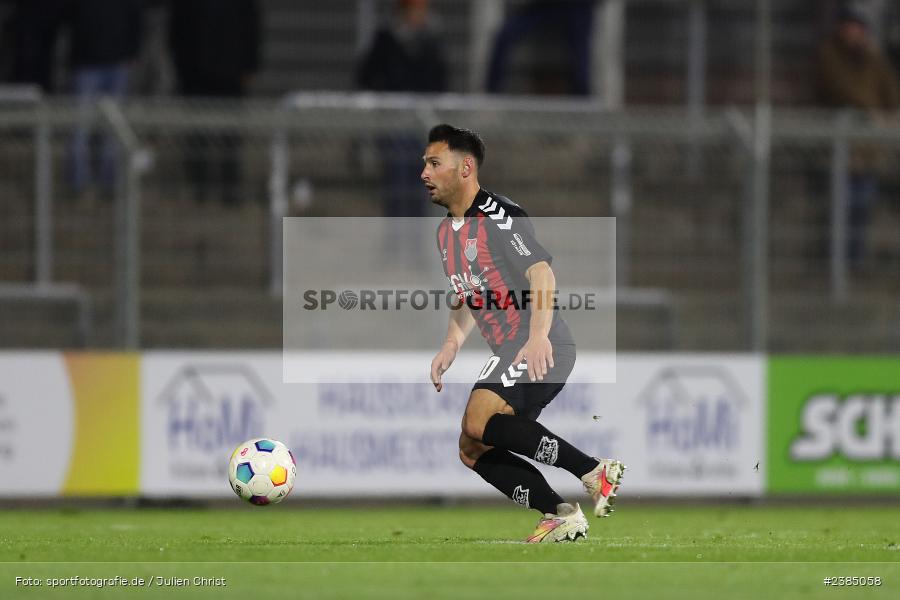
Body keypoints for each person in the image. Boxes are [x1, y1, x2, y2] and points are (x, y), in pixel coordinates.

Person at [422, 124, 625, 543]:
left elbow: (541, 273)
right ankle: (561, 513)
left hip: (540, 340)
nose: (423, 172)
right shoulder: (445, 232)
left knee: (477, 418)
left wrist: (537, 337)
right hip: (517, 343)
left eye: (433, 163)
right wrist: (451, 342)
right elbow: (466, 297)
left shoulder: (499, 214)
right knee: (470, 447)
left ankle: (592, 470)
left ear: (465, 167)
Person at [357, 0, 448, 263]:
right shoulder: (386, 40)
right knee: (397, 183)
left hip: (423, 126)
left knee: (425, 187)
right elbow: (366, 75)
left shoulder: (431, 41)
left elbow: (440, 79)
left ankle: (419, 248)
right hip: (395, 124)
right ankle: (395, 244)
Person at [817, 4, 900, 267]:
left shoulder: (873, 58)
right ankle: (836, 263)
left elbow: (891, 91)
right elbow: (841, 89)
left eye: (858, 27)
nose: (854, 32)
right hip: (840, 147)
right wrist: (872, 113)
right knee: (841, 205)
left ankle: (854, 261)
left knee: (863, 206)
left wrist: (887, 114)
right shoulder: (828, 55)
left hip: (868, 148)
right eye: (850, 26)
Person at [168, 0, 261, 206]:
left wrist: (250, 66)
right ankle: (200, 187)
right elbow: (177, 29)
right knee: (198, 133)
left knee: (230, 135)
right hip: (196, 73)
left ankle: (229, 187)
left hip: (230, 73)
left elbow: (251, 26)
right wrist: (180, 65)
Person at [67, 0, 144, 197]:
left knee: (114, 128)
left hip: (117, 64)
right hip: (86, 64)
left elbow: (135, 18)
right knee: (80, 128)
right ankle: (78, 184)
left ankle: (108, 184)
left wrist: (132, 53)